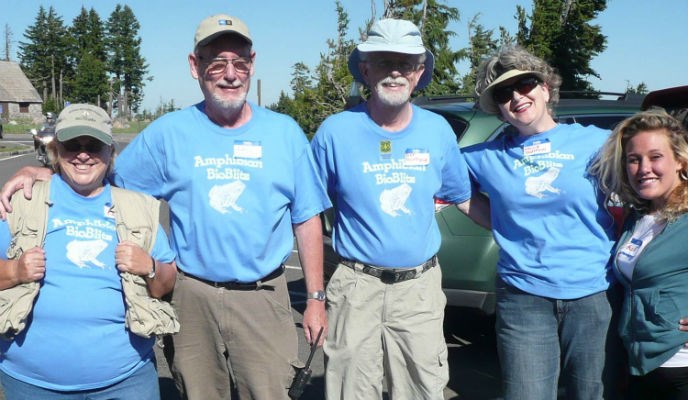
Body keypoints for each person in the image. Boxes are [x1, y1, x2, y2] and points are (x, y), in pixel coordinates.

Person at [0, 13, 331, 400]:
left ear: (252, 64)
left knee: (271, 392)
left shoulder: (285, 133)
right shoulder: (168, 133)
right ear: (196, 67)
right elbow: (103, 175)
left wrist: (315, 299)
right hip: (191, 295)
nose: (229, 73)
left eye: (239, 62)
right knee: (197, 392)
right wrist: (45, 173)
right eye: (215, 62)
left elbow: (307, 218)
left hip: (262, 295)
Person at [311, 18, 487, 399]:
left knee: (422, 388)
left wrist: (523, 230)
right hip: (356, 287)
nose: (395, 71)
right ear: (365, 69)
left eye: (406, 63)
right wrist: (313, 295)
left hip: (419, 289)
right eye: (384, 60)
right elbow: (308, 211)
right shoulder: (335, 132)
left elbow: (464, 197)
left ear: (419, 72)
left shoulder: (437, 130)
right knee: (350, 390)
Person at [461, 45, 622, 399]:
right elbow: (445, 184)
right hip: (523, 298)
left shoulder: (599, 142)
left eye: (526, 84)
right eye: (504, 94)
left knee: (590, 394)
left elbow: (661, 184)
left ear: (546, 88)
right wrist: (498, 222)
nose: (517, 97)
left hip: (593, 294)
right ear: (499, 109)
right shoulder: (482, 157)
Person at [0, 103, 177, 399]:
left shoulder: (138, 208)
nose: (83, 154)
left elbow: (166, 283)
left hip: (126, 380)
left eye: (94, 145)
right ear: (56, 151)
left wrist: (150, 267)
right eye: (72, 144)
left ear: (110, 153)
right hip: (32, 382)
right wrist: (15, 271)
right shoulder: (21, 201)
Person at [589, 109, 688, 399]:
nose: (644, 168)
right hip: (639, 366)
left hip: (681, 368)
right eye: (634, 159)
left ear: (680, 161)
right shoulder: (639, 217)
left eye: (655, 157)